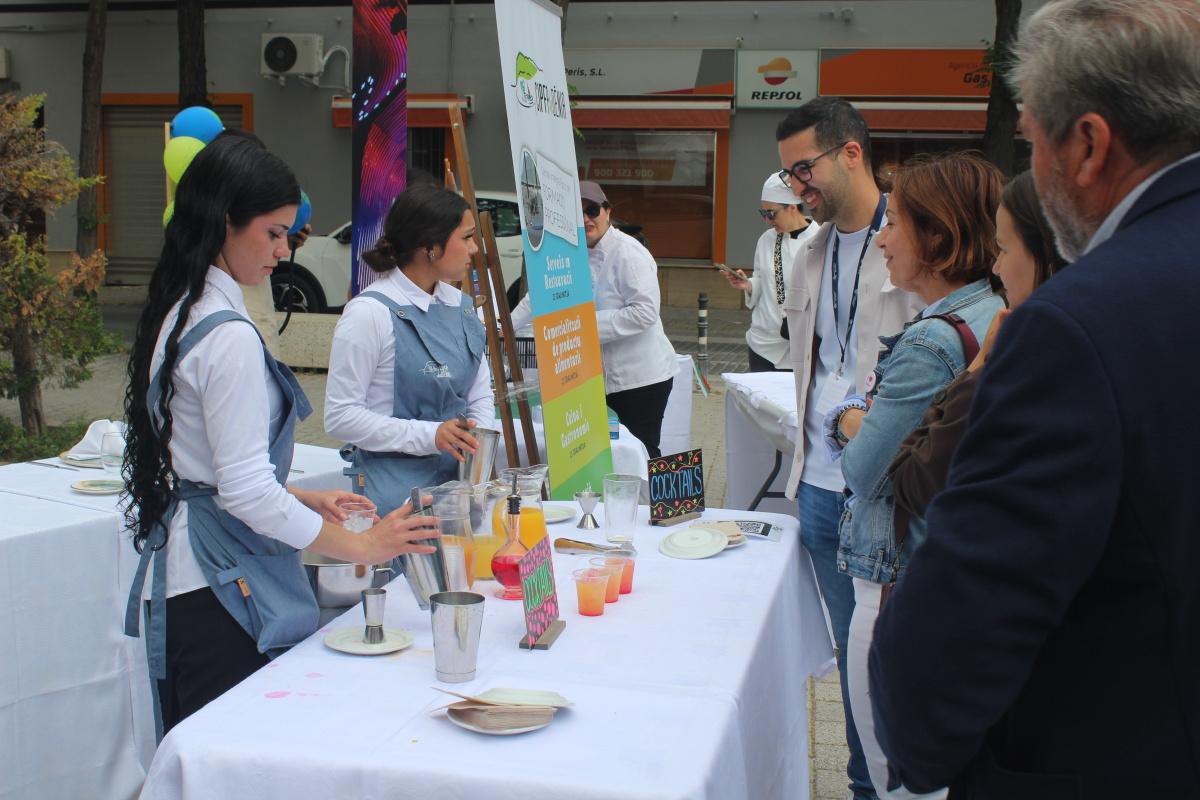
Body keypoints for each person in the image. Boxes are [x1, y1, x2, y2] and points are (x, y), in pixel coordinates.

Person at [869, 2, 1200, 797]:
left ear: (1086, 145)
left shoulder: (1076, 325)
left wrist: (915, 741)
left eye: (1031, 141)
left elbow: (953, 634)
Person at [121, 136, 440, 736]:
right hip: (218, 585)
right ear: (224, 223)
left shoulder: (180, 308)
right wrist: (367, 546)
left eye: (289, 234)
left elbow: (206, 469)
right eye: (271, 233)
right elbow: (241, 490)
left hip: (194, 567)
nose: (282, 250)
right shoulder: (229, 337)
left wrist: (299, 497)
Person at [826, 152, 1005, 799]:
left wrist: (849, 416)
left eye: (895, 222)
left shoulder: (932, 341)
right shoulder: (991, 310)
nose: (881, 237)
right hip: (938, 569)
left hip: (895, 580)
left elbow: (862, 469)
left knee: (895, 780)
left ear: (938, 235)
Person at [775, 96, 923, 800]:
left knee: (895, 664)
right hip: (818, 490)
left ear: (852, 153)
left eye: (805, 169)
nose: (797, 187)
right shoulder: (809, 250)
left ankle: (899, 784)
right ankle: (867, 783)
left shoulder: (916, 238)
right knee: (849, 659)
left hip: (887, 492)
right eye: (789, 177)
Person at [887, 170, 1067, 516]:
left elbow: (912, 477)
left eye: (1003, 249)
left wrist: (979, 370)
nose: (996, 267)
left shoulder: (1028, 357)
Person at [325, 183, 495, 516]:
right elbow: (340, 417)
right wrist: (432, 435)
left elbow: (480, 394)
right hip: (393, 498)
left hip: (458, 492)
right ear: (430, 247)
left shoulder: (461, 308)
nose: (475, 248)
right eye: (466, 237)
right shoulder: (368, 314)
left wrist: (477, 455)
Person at [511, 181, 677, 458]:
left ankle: (652, 503)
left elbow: (645, 312)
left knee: (643, 451)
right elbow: (538, 295)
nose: (586, 219)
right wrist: (503, 327)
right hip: (593, 376)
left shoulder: (628, 252)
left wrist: (579, 324)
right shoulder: (566, 250)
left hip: (641, 377)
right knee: (601, 452)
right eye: (578, 214)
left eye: (592, 210)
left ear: (608, 211)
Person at [722, 172, 817, 371]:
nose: (767, 220)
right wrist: (747, 285)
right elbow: (761, 279)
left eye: (771, 213)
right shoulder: (766, 239)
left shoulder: (819, 239)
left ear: (792, 207)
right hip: (763, 341)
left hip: (801, 345)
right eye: (763, 213)